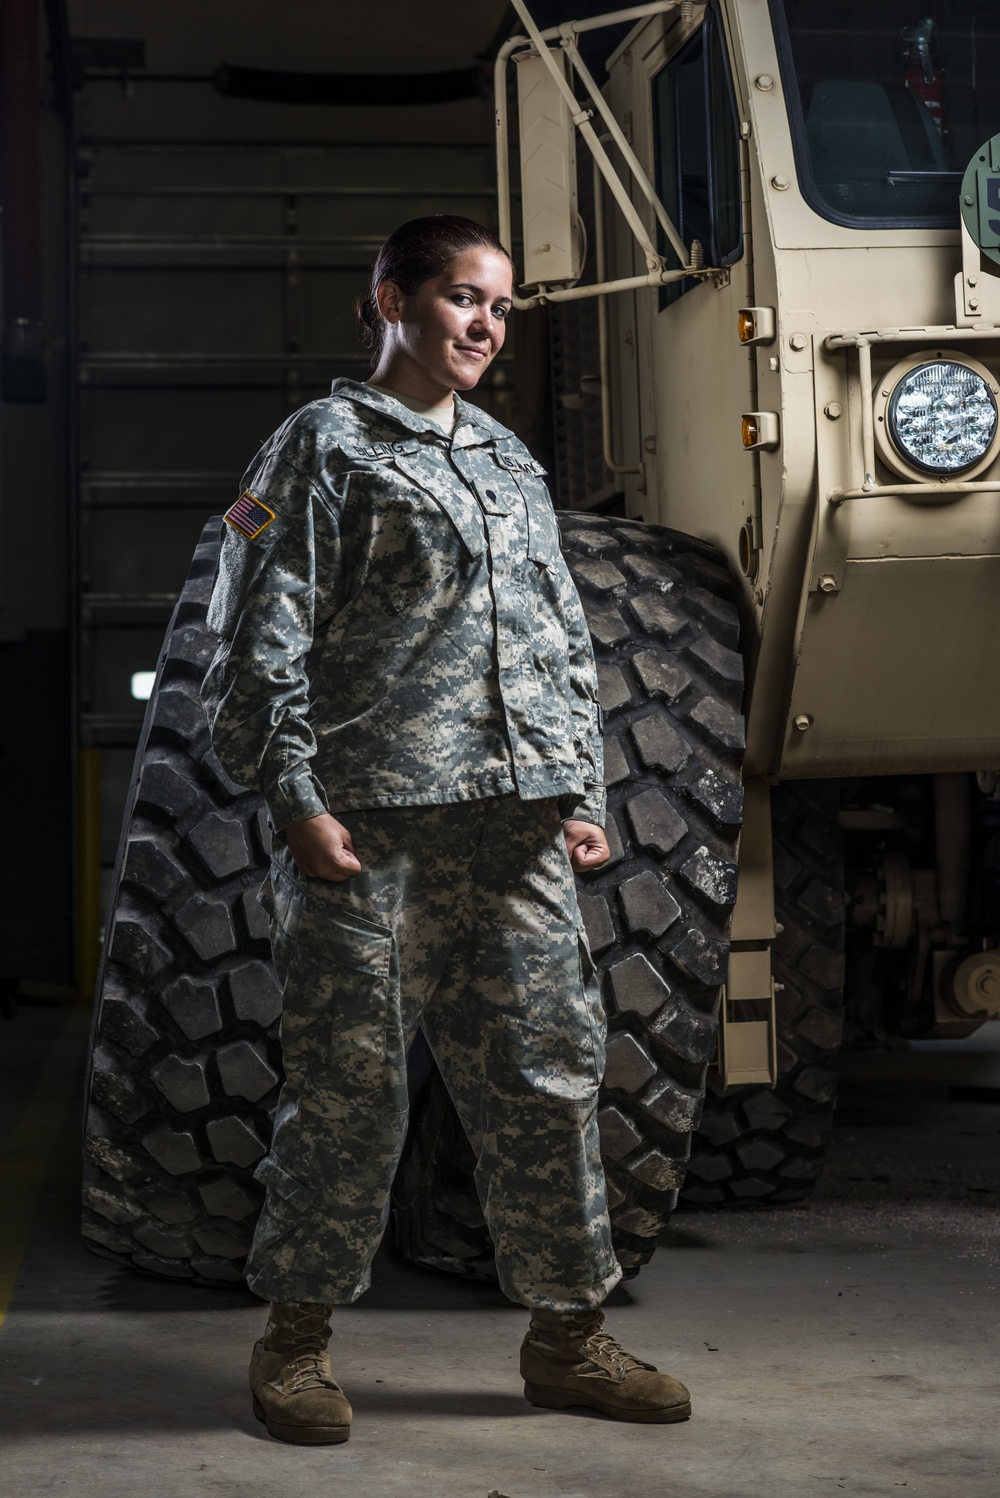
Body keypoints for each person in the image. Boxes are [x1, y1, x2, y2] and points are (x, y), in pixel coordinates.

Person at [201, 215, 691, 1445]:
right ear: (390, 302)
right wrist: (298, 801)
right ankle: (296, 1346)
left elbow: (559, 642)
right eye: (462, 299)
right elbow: (255, 639)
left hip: (513, 837)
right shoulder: (322, 447)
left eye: (501, 308)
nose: (484, 325)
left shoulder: (510, 463)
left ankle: (567, 1337)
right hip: (371, 835)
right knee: (353, 1094)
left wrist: (576, 793)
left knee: (548, 1083)